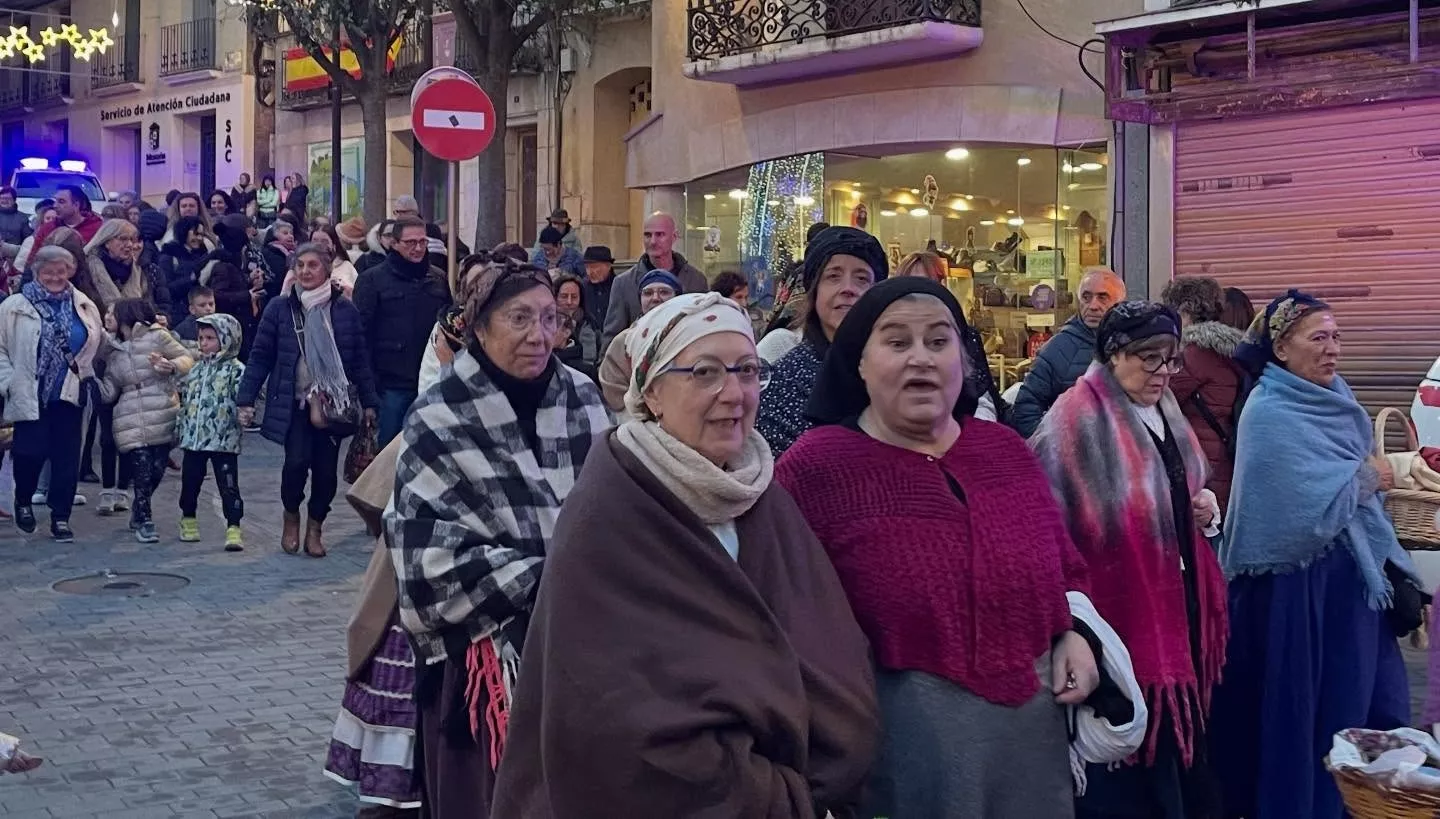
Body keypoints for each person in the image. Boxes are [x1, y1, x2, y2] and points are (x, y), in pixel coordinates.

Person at [491, 292, 880, 816]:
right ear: (652, 393)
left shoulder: (761, 495)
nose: (733, 393)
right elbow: (615, 719)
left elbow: (827, 648)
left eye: (747, 370)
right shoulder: (610, 514)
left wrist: (819, 772)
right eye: (704, 372)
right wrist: (770, 795)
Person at [776, 277, 1109, 818]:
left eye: (938, 341)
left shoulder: (1004, 451)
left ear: (963, 359)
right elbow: (780, 610)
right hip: (899, 750)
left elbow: (1066, 567)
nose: (921, 358)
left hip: (1031, 740)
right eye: (897, 342)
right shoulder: (816, 469)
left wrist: (1076, 633)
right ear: (859, 363)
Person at [385, 256, 610, 818]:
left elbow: (615, 515)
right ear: (479, 327)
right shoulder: (438, 416)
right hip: (479, 671)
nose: (540, 335)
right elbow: (425, 559)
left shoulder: (583, 400)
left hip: (584, 651)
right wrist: (553, 575)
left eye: (550, 318)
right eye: (519, 318)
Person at [1212, 290, 1418, 819]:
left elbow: (1352, 491)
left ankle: (1364, 805)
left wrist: (1396, 565)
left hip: (1350, 593)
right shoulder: (1269, 413)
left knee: (1367, 706)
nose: (1332, 349)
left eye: (1337, 337)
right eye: (1318, 338)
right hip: (1297, 597)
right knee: (1310, 716)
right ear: (1281, 348)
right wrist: (1369, 477)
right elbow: (1301, 517)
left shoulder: (1338, 397)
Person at [1030, 301, 1228, 819]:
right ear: (1113, 354)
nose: (1163, 371)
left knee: (1176, 747)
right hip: (1115, 610)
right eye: (1149, 357)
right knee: (1130, 754)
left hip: (1174, 600)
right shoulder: (1073, 420)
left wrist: (1198, 508)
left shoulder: (1165, 409)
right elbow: (1046, 523)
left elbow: (1176, 486)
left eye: (1171, 358)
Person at [238, 243, 378, 557]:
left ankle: (315, 527)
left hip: (333, 406)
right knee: (296, 464)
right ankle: (291, 515)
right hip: (295, 404)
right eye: (300, 265)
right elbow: (260, 356)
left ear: (327, 270)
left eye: (313, 265)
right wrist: (245, 398)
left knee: (326, 474)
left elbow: (359, 360)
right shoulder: (280, 308)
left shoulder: (345, 310)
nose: (305, 271)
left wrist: (370, 402)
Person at [0, 246, 104, 541]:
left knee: (66, 459)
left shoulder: (83, 304)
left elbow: (97, 340)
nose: (56, 277)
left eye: (62, 271)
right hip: (29, 390)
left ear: (70, 271)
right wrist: (8, 381)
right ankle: (23, 499)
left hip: (70, 391)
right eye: (49, 272)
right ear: (36, 272)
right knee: (29, 452)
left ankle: (61, 516)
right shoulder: (14, 306)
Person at [756, 226, 887, 457]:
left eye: (862, 279)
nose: (848, 289)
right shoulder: (785, 384)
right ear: (814, 291)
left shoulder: (897, 370)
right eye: (833, 277)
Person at [98, 298, 194, 543]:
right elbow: (109, 390)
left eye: (113, 314)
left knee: (157, 468)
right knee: (141, 468)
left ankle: (139, 509)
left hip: (162, 407)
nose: (108, 318)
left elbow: (186, 358)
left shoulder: (157, 336)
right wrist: (90, 381)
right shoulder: (113, 351)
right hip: (129, 414)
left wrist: (170, 365)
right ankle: (145, 520)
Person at [352, 217, 452, 448]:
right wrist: (369, 389)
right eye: (410, 242)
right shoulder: (372, 280)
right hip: (390, 386)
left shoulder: (437, 278)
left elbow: (446, 326)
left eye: (422, 241)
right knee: (388, 452)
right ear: (394, 243)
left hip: (430, 380)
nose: (418, 248)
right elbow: (361, 337)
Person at [1161, 276, 1248, 512]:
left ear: (1186, 311)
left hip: (1203, 465)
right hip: (1224, 460)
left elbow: (1158, 396)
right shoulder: (1230, 350)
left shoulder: (1194, 355)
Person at [1011, 268, 1126, 438]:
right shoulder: (1056, 350)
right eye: (1086, 297)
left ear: (1120, 303)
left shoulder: (1135, 344)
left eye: (1102, 297)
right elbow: (1025, 411)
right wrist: (1057, 446)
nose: (1093, 306)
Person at [895, 250, 1005, 422]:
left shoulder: (965, 336)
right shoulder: (886, 337)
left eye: (927, 283)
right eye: (911, 285)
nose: (919, 293)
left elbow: (983, 397)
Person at [175, 313, 246, 551]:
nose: (203, 343)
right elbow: (186, 400)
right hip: (194, 441)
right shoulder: (195, 370)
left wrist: (245, 413)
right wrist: (181, 427)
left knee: (228, 485)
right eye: (201, 338)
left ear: (226, 340)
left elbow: (244, 399)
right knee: (190, 482)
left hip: (224, 440)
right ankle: (188, 518)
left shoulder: (236, 371)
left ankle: (234, 527)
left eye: (210, 338)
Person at [600, 213, 707, 352]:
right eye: (648, 235)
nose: (653, 241)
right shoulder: (624, 283)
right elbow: (612, 339)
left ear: (674, 237)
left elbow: (704, 330)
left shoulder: (696, 280)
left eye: (660, 234)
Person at [598, 268, 682, 413]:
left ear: (678, 297)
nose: (655, 298)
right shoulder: (623, 342)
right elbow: (613, 389)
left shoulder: (691, 338)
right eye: (648, 293)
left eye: (664, 292)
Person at [84, 218, 171, 323]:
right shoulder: (87, 269)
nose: (130, 244)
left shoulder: (142, 269)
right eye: (123, 239)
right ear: (106, 242)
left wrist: (161, 316)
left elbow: (157, 304)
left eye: (132, 240)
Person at [158, 215, 211, 312]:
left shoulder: (204, 254)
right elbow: (165, 289)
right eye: (196, 234)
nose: (200, 238)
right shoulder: (169, 255)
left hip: (201, 310)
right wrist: (190, 278)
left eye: (202, 235)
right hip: (178, 312)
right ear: (184, 232)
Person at [551, 273, 599, 378]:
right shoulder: (545, 321)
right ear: (555, 297)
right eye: (564, 296)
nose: (569, 302)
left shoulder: (590, 324)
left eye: (574, 297)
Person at [32, 185, 104, 247]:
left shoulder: (97, 229)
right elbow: (34, 257)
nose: (55, 205)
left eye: (61, 201)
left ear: (76, 205)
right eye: (55, 200)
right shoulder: (47, 228)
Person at [309, 223, 358, 296]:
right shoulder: (302, 267)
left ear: (334, 245)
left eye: (324, 241)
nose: (318, 245)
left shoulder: (346, 267)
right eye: (315, 241)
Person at [579, 245, 615, 331]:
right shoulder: (581, 287)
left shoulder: (618, 286)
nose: (589, 272)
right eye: (587, 267)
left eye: (594, 267)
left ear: (608, 266)